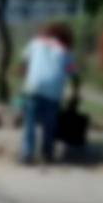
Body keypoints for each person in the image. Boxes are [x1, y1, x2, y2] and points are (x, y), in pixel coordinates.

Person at [19, 22, 79, 164]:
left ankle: (27, 154)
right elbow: (73, 74)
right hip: (53, 91)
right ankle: (47, 153)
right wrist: (75, 92)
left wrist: (25, 81)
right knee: (49, 124)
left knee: (30, 122)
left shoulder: (35, 43)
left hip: (33, 87)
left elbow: (24, 63)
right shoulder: (65, 51)